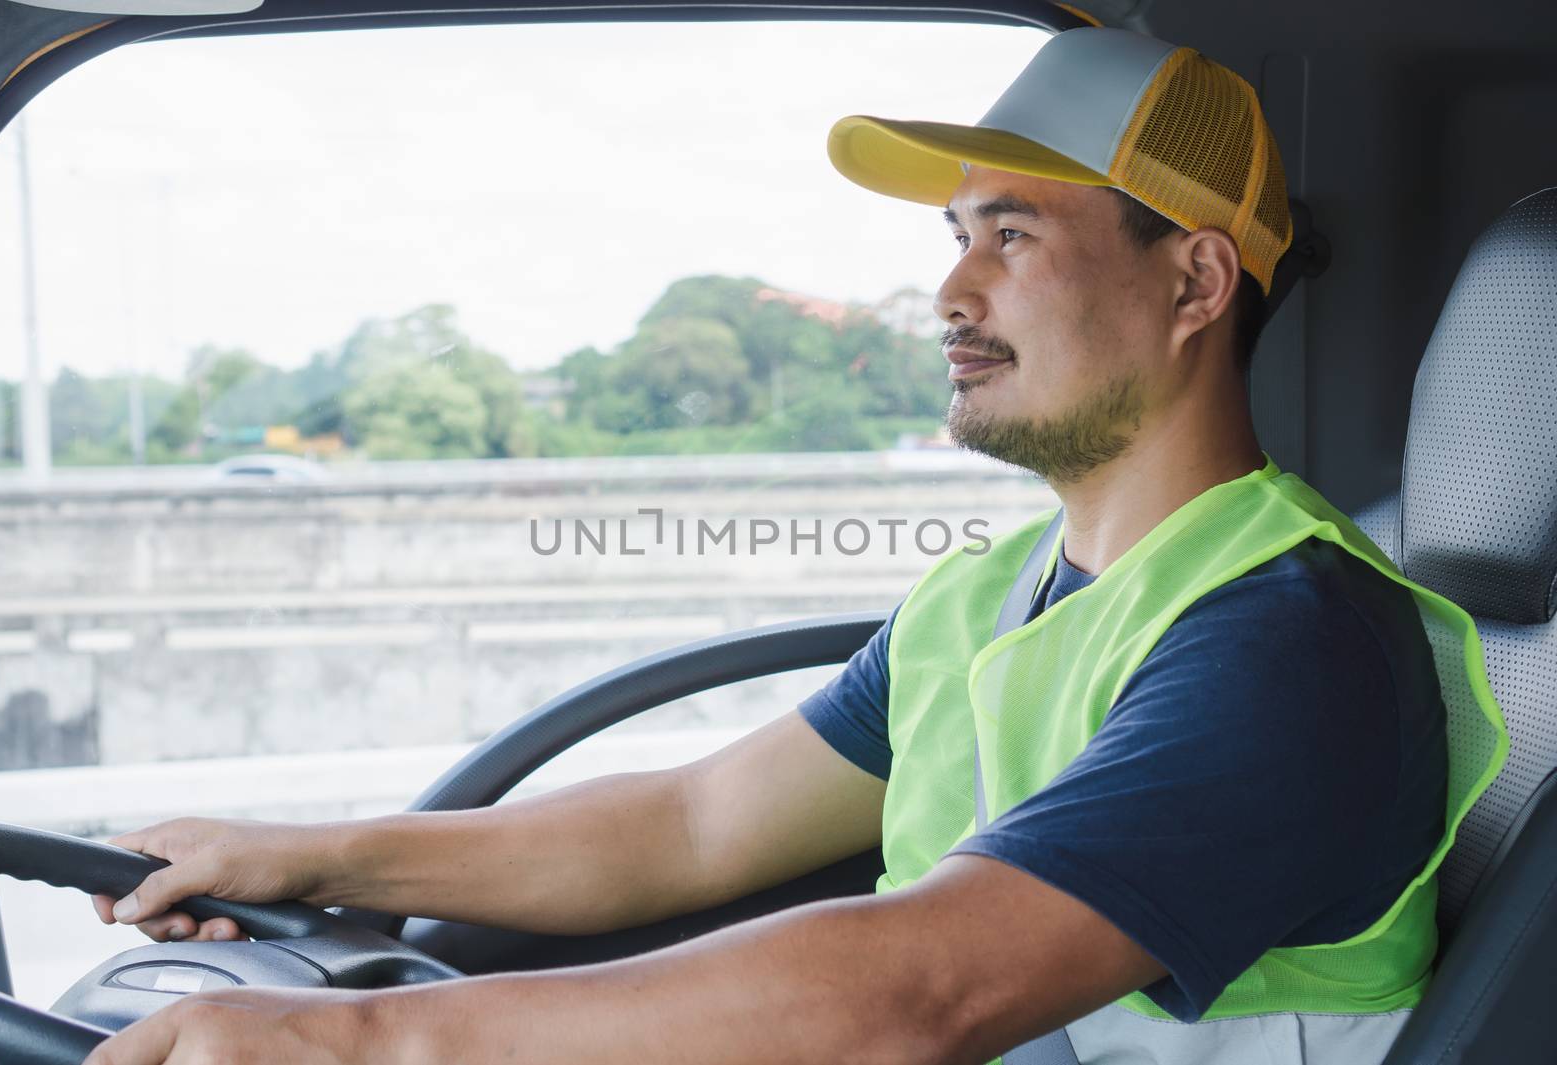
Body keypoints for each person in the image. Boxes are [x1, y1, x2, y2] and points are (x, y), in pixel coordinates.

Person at [84, 26, 1505, 1065]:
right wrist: (298, 852)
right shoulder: (991, 600)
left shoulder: (1289, 642)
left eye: (1010, 233)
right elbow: (691, 823)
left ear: (1196, 278)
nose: (948, 287)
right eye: (955, 233)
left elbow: (915, 992)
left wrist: (359, 1042)